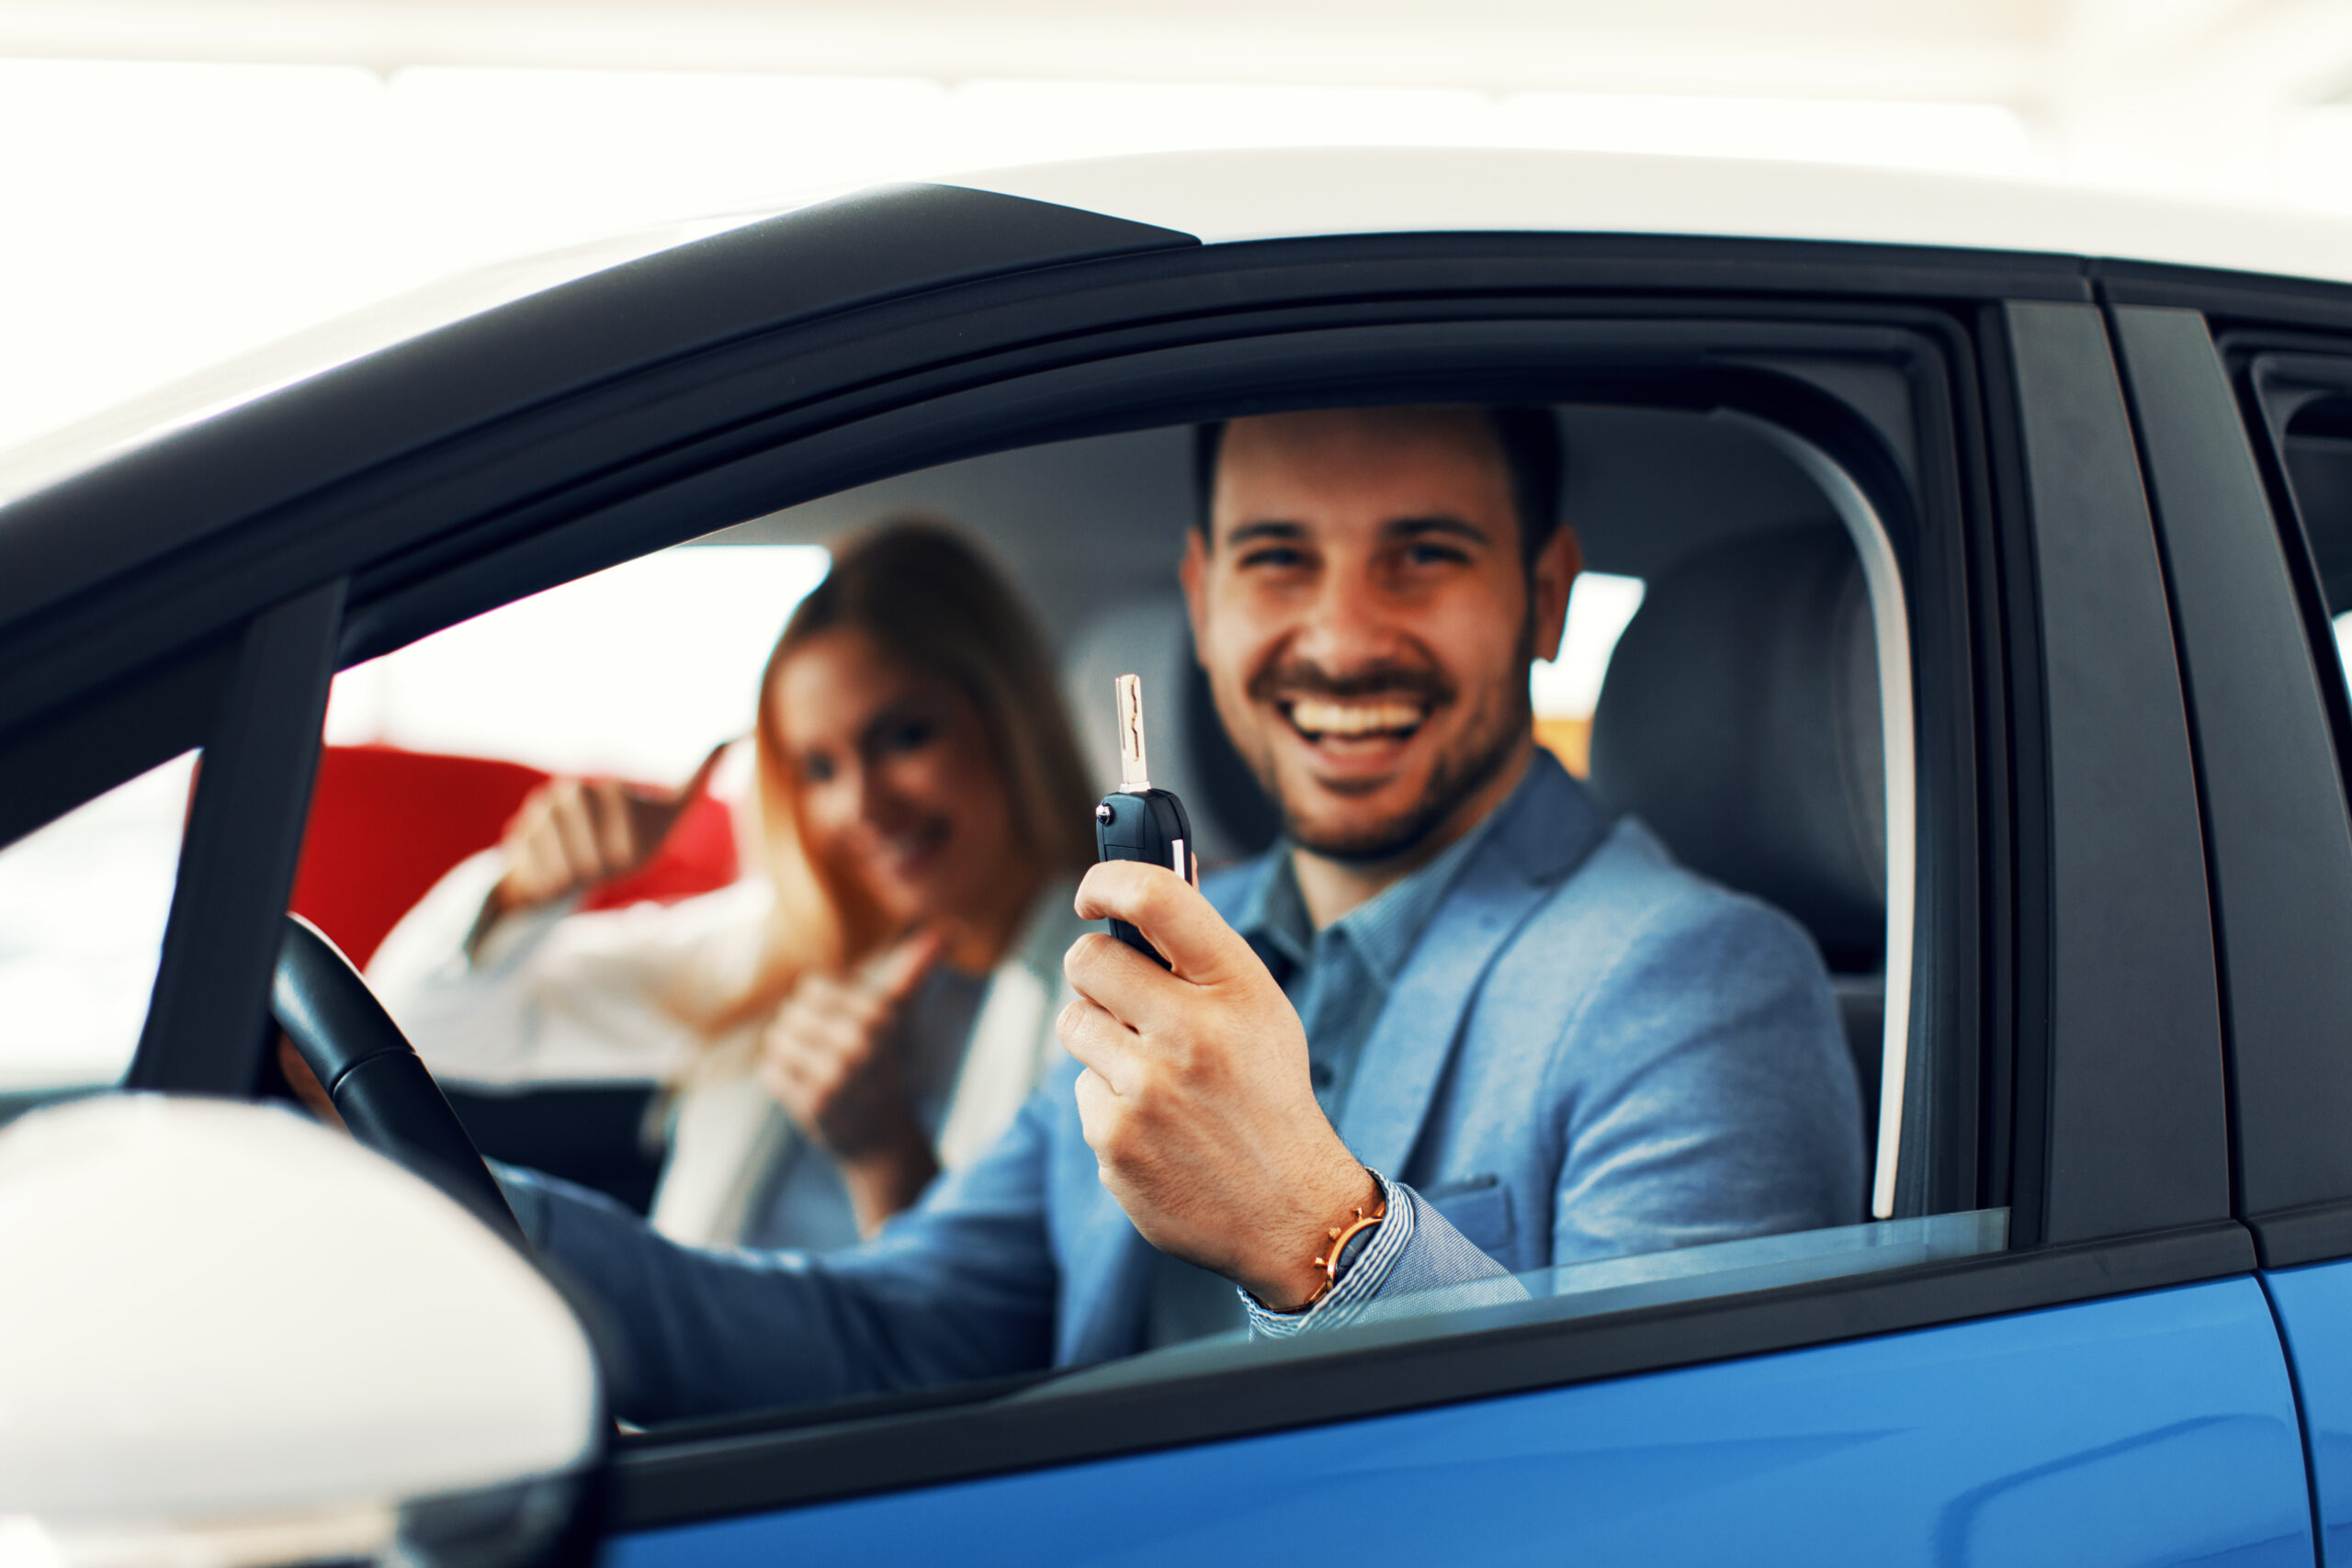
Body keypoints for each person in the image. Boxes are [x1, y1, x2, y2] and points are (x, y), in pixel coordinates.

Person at [494, 404, 1864, 1424]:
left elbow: (1693, 1484)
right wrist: (509, 1231)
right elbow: (896, 1330)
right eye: (1280, 560)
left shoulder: (1700, 978)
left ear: (1544, 594)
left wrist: (1320, 1232)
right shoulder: (1161, 949)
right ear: (1204, 604)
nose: (1340, 635)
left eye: (1423, 556)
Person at [368, 522, 1097, 1249]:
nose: (863, 809)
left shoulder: (1102, 995)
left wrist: (885, 1158)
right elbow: (417, 1026)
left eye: (905, 736)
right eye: (818, 769)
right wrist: (527, 889)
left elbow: (1021, 1337)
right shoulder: (767, 953)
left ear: (1008, 720)